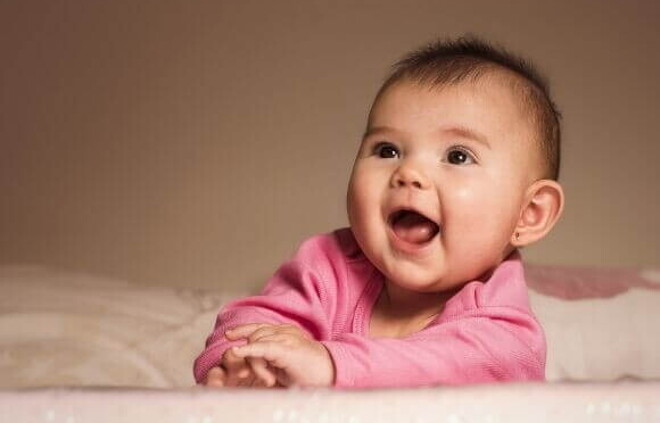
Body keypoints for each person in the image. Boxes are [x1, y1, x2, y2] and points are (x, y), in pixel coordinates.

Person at [194, 36, 565, 389]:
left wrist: (330, 364)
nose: (409, 173)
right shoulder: (328, 264)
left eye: (457, 156)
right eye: (387, 150)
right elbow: (258, 319)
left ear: (528, 214)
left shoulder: (507, 332)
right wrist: (243, 362)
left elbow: (456, 365)